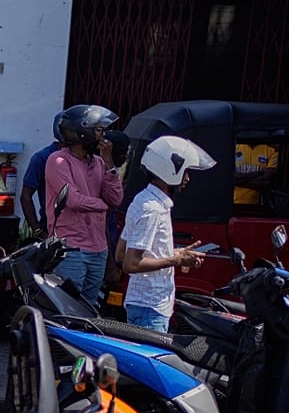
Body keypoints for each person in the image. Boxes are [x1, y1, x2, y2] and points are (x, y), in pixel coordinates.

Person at [119, 136, 211, 333]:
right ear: (170, 169)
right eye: (185, 171)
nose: (187, 178)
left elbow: (121, 253)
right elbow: (130, 263)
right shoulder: (152, 209)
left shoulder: (141, 200)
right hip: (150, 307)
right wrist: (176, 261)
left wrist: (177, 253)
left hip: (143, 304)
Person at [43, 104, 123, 308]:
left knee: (89, 306)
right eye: (98, 130)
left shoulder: (97, 162)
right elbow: (73, 199)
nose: (103, 135)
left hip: (98, 248)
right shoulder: (58, 160)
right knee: (69, 305)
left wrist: (109, 165)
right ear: (82, 131)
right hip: (71, 248)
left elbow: (116, 199)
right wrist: (102, 205)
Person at [17, 116, 62, 234]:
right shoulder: (42, 158)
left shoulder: (90, 159)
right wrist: (37, 230)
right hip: (51, 228)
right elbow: (26, 196)